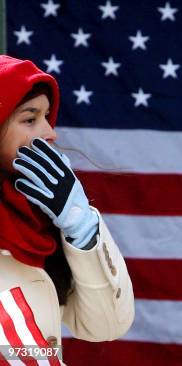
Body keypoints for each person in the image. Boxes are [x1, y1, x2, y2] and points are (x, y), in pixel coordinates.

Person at [0, 55, 134, 363]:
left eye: (47, 116)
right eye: (30, 118)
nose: (50, 133)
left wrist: (82, 230)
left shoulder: (39, 220)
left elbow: (105, 326)